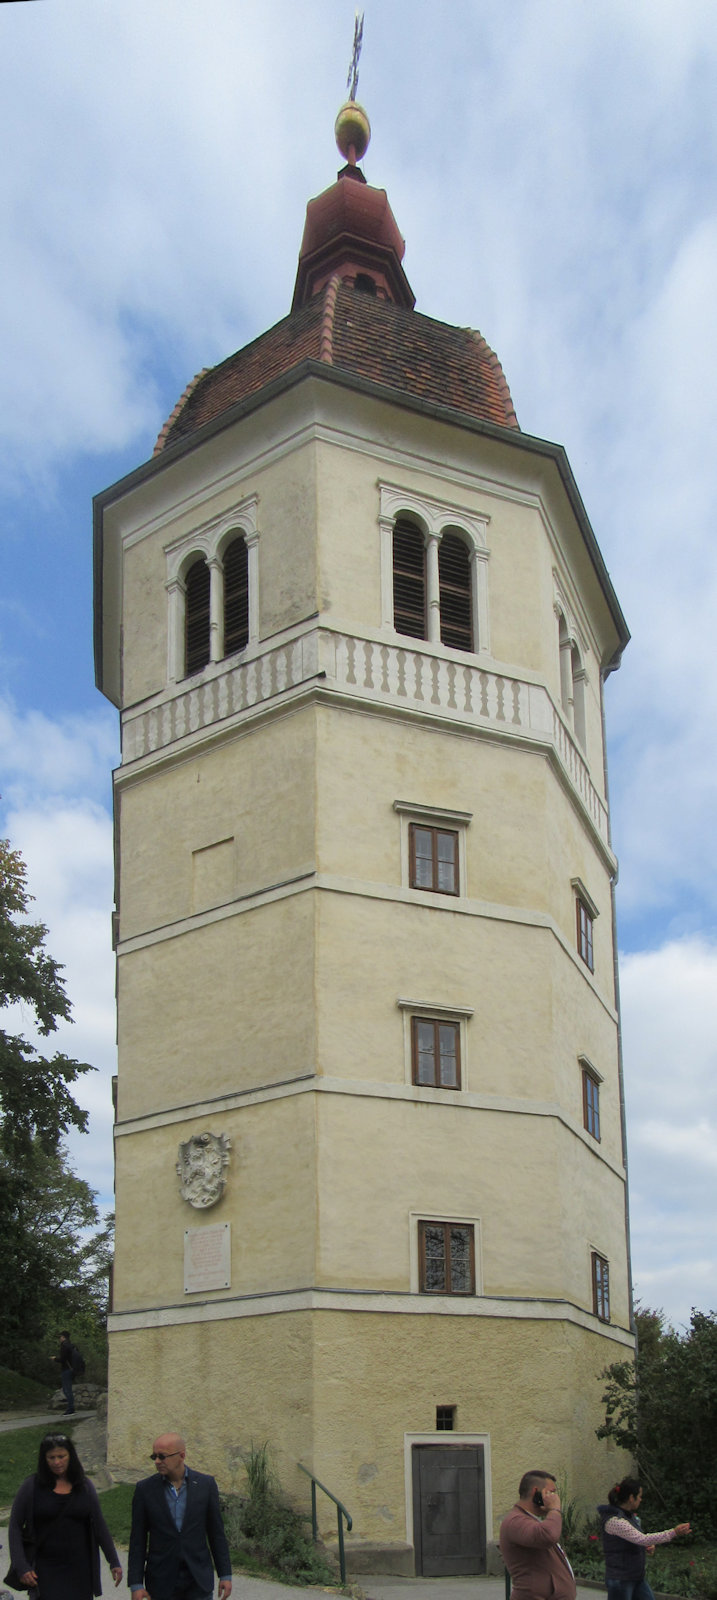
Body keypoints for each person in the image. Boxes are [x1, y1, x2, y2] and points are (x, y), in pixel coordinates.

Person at [8, 1431, 122, 1598]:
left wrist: (114, 1562)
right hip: (44, 1571)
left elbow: (99, 1526)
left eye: (61, 1456)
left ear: (71, 1456)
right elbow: (15, 1528)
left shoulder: (84, 1486)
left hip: (80, 1571)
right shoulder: (31, 1487)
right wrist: (22, 1567)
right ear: (44, 1459)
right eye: (51, 1457)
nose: (57, 1462)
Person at [128, 1431, 232, 1600]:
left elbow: (216, 1534)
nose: (157, 1461)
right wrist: (136, 1584)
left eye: (162, 1456)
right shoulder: (145, 1490)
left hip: (198, 1579)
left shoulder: (206, 1486)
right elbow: (137, 1540)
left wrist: (225, 1575)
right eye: (154, 1456)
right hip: (161, 1580)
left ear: (181, 1455)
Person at [598, 1476, 691, 1600]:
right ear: (631, 1498)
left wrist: (646, 1546)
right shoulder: (615, 1520)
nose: (641, 1500)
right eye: (640, 1496)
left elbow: (635, 1540)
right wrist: (673, 1532)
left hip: (636, 1577)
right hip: (620, 1579)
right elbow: (642, 1538)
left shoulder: (630, 1517)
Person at [499, 1470, 577, 1600]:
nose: (555, 1497)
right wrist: (554, 1509)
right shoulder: (515, 1521)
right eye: (551, 1492)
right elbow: (547, 1536)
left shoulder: (530, 1520)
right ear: (536, 1492)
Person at [50, 1331, 75, 1415]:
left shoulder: (64, 1346)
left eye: (60, 1337)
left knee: (67, 1390)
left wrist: (55, 1359)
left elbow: (63, 1359)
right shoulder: (72, 1345)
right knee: (68, 1389)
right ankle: (71, 1408)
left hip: (66, 1370)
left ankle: (71, 1409)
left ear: (64, 1337)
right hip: (72, 1369)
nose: (59, 1338)